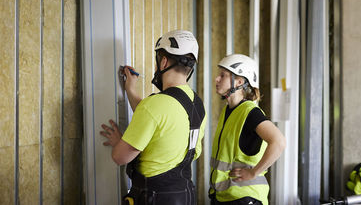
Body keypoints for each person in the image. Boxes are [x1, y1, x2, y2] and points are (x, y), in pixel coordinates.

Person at [100, 30, 207, 205]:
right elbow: (155, 119)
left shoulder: (155, 105)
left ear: (163, 61)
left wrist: (120, 141)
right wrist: (130, 90)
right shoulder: (197, 104)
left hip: (156, 196)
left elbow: (120, 157)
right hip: (185, 194)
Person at [209, 54, 286, 205]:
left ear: (239, 81)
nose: (217, 79)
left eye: (223, 75)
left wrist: (253, 172)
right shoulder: (228, 111)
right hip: (226, 197)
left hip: (244, 198)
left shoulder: (250, 112)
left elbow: (279, 142)